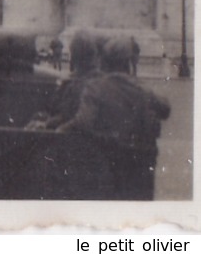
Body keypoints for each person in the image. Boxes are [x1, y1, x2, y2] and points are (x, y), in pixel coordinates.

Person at [55, 37, 170, 197]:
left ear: (105, 61)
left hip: (108, 164)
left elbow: (83, 122)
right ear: (129, 63)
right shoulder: (141, 89)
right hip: (138, 166)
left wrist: (60, 130)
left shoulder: (96, 88)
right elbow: (165, 109)